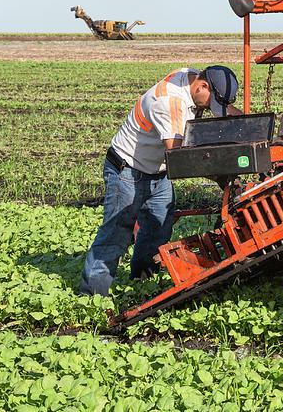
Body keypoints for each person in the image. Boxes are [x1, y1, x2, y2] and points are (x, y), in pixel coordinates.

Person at [79, 65, 241, 296]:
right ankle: (91, 296)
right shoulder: (169, 103)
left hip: (157, 171)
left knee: (158, 228)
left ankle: (142, 282)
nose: (209, 108)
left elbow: (225, 113)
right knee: (116, 233)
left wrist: (252, 124)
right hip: (127, 171)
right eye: (210, 102)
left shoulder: (190, 77)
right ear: (202, 86)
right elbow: (180, 158)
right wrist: (221, 177)